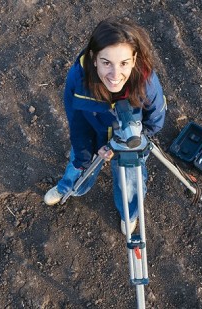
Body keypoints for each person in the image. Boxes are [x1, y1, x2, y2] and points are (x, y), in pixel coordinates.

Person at [44, 17, 166, 235]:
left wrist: (141, 137)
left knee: (130, 180)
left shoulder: (146, 79)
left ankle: (130, 213)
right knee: (79, 163)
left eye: (124, 63)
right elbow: (77, 121)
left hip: (130, 137)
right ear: (94, 59)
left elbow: (156, 115)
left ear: (134, 59)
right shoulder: (78, 79)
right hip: (95, 133)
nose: (115, 75)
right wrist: (88, 151)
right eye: (106, 62)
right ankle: (69, 188)